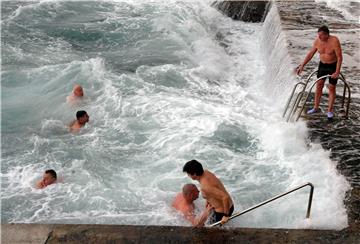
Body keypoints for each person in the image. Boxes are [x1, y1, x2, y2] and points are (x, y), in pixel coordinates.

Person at [296, 25, 343, 120]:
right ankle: (316, 107)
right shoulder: (318, 41)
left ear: (327, 35)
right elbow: (310, 54)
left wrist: (337, 72)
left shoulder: (334, 41)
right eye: (318, 35)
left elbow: (339, 57)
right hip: (322, 65)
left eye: (321, 35)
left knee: (331, 88)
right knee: (319, 85)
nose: (319, 37)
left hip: (333, 66)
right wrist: (302, 65)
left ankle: (329, 110)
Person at [183, 160, 234, 225]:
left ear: (195, 174)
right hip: (230, 205)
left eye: (188, 174)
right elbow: (214, 188)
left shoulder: (205, 187)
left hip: (222, 212)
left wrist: (226, 216)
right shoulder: (206, 172)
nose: (188, 175)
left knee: (209, 231)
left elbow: (225, 197)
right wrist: (208, 200)